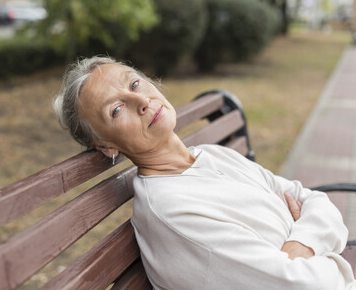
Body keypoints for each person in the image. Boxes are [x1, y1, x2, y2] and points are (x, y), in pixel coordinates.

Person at [53, 56, 356, 289]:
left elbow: (315, 200)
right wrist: (310, 236)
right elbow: (310, 285)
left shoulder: (209, 155)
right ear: (106, 146)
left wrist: (298, 245)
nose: (142, 102)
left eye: (134, 84)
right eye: (116, 110)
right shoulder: (173, 213)